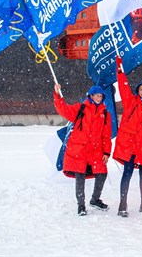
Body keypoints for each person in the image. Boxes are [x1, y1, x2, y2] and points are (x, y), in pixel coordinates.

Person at [53, 83, 112, 216]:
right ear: (91, 96)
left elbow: (106, 136)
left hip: (96, 151)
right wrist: (57, 94)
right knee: (80, 177)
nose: (99, 97)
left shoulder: (105, 114)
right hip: (79, 149)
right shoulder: (80, 108)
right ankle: (81, 206)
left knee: (102, 174)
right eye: (96, 95)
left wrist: (106, 152)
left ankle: (95, 199)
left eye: (101, 95)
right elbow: (63, 109)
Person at [113, 57, 142, 217]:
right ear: (138, 92)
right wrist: (119, 67)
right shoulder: (131, 102)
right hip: (131, 146)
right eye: (141, 90)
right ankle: (122, 205)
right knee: (127, 173)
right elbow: (123, 85)